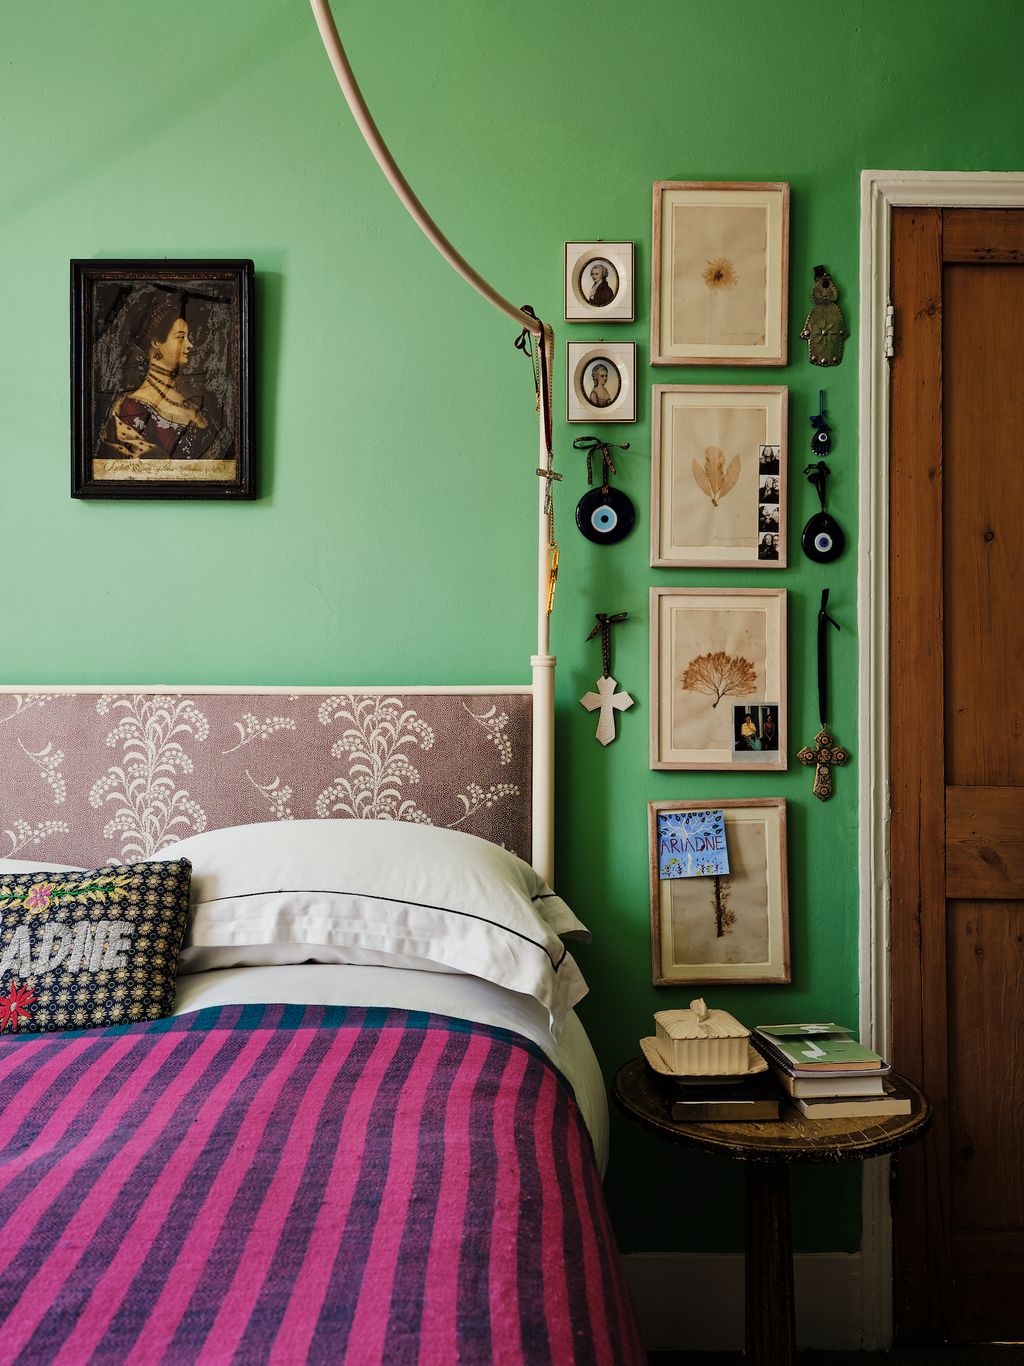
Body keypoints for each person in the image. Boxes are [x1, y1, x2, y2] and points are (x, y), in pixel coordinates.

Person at [96, 293, 227, 460]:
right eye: (180, 337)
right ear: (156, 343)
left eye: (187, 338)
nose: (189, 345)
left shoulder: (191, 404)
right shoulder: (132, 407)